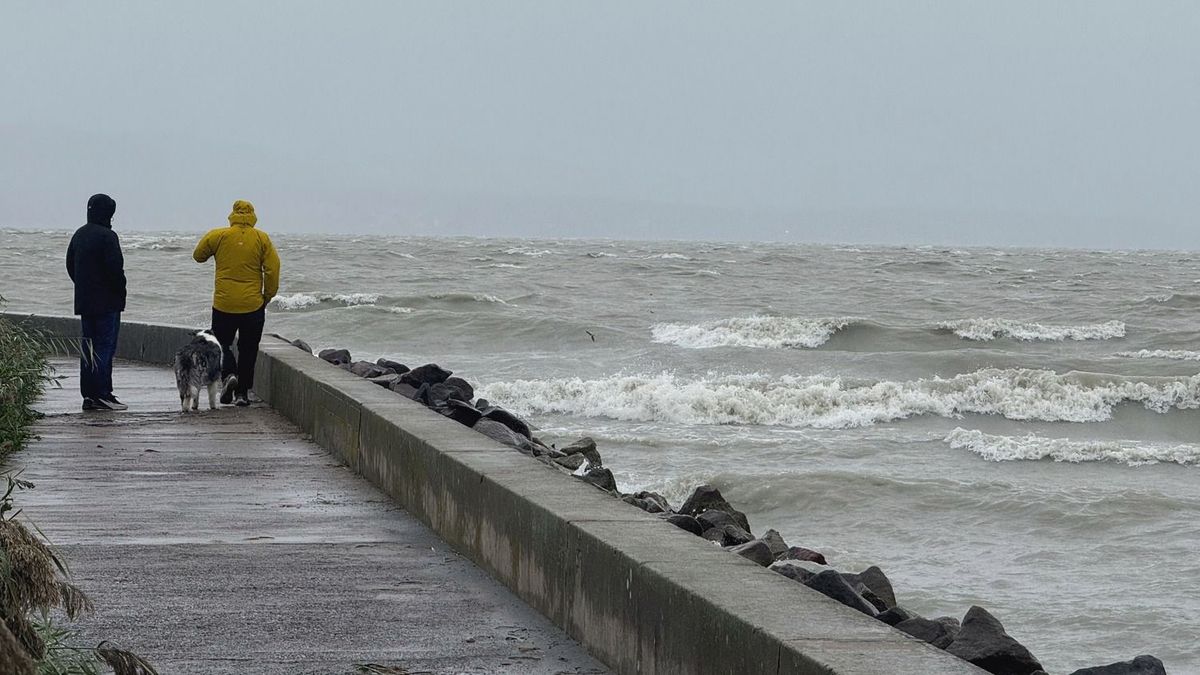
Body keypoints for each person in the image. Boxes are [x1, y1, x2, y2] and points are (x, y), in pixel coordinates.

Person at [192, 200, 280, 406]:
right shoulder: (261, 238)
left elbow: (198, 256)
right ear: (252, 215)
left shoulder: (219, 235)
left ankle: (229, 374)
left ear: (232, 215)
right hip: (253, 304)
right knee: (249, 348)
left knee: (222, 344)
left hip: (224, 303)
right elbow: (273, 269)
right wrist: (268, 295)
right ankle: (242, 394)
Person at [66, 193, 128, 411]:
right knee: (104, 347)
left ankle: (89, 396)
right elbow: (115, 271)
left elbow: (70, 265)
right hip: (107, 303)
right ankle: (103, 394)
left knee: (88, 348)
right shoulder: (108, 237)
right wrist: (120, 292)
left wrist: (83, 286)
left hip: (85, 301)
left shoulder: (79, 235)